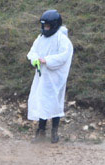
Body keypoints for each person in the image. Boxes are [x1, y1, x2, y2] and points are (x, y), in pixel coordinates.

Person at [26, 9, 73, 143]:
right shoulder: (41, 38)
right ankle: (40, 132)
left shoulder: (62, 39)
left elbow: (64, 56)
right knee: (42, 102)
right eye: (44, 26)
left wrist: (48, 60)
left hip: (55, 78)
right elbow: (33, 51)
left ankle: (54, 132)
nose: (45, 28)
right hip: (42, 77)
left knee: (54, 103)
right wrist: (34, 60)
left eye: (48, 26)